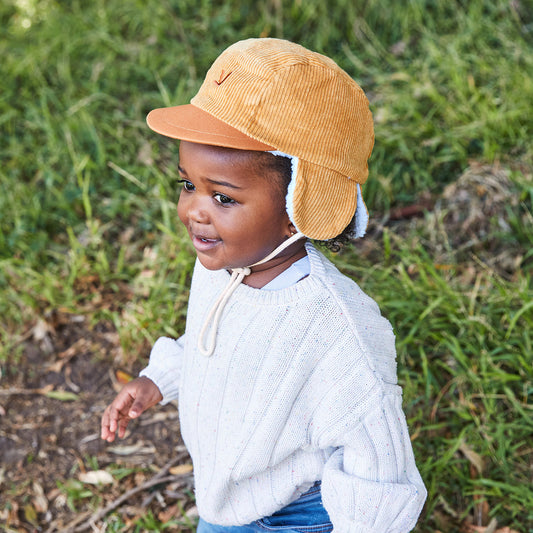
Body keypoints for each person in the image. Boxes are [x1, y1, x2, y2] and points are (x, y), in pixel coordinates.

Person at [101, 38, 427, 532]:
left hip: (295, 517)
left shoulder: (337, 332)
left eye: (223, 197)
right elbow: (218, 347)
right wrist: (159, 380)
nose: (194, 211)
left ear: (300, 208)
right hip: (226, 503)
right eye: (187, 184)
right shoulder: (226, 267)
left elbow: (377, 462)